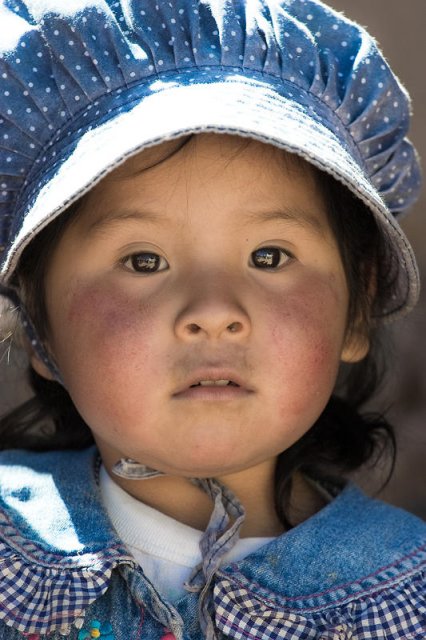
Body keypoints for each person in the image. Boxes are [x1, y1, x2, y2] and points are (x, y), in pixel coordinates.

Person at [0, 0, 424, 638]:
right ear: (40, 328)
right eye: (144, 261)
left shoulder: (408, 594)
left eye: (268, 256)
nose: (214, 313)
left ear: (357, 311)